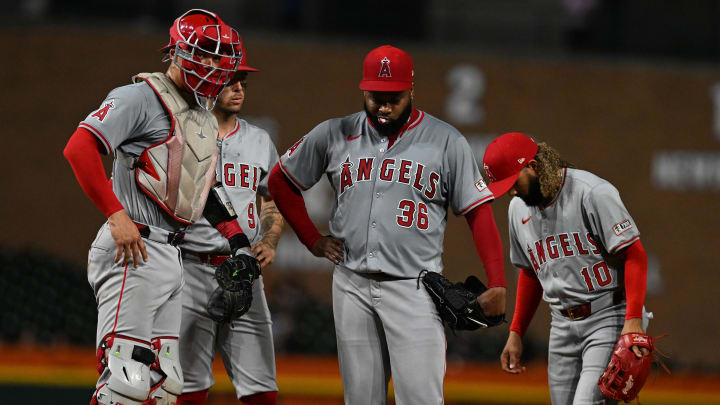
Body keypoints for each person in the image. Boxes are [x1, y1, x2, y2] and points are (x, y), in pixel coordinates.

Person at [267, 45, 507, 405]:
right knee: (361, 399)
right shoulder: (335, 133)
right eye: (375, 97)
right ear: (363, 91)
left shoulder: (445, 140)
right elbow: (280, 181)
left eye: (393, 98)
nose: (383, 106)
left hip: (414, 288)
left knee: (421, 399)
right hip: (351, 285)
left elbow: (478, 212)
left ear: (411, 91)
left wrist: (498, 281)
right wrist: (311, 239)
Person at [63, 9, 249, 405]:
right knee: (125, 380)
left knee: (164, 387)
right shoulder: (139, 97)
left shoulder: (200, 115)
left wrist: (238, 241)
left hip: (170, 253)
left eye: (223, 59)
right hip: (134, 246)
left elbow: (204, 188)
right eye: (208, 56)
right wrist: (115, 214)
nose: (217, 67)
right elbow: (79, 148)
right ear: (180, 53)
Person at [482, 132, 652, 404]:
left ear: (534, 167)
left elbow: (634, 254)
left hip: (607, 315)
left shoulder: (592, 192)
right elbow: (530, 272)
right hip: (561, 324)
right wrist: (516, 332)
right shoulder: (517, 209)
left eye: (513, 182)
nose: (511, 192)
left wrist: (632, 321)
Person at [176, 65, 284, 405]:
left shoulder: (259, 140)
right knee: (188, 383)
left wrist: (268, 239)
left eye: (242, 83)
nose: (238, 89)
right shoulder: (182, 132)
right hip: (189, 266)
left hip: (243, 270)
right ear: (208, 84)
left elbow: (272, 198)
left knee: (261, 385)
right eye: (230, 82)